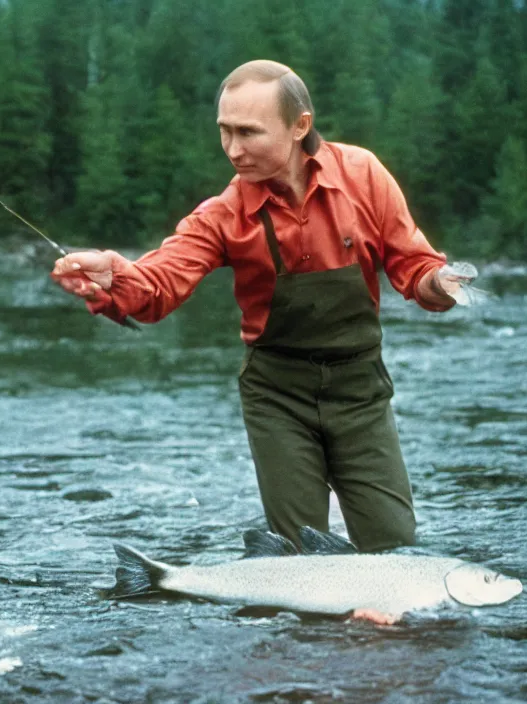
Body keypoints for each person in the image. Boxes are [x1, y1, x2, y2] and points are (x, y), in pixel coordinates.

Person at [51, 60, 470, 556]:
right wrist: (114, 275)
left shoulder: (363, 176)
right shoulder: (223, 213)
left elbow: (413, 265)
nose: (232, 149)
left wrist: (438, 283)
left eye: (248, 132)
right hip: (277, 395)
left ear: (300, 126)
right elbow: (158, 286)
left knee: (395, 549)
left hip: (360, 391)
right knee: (295, 555)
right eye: (224, 132)